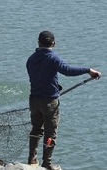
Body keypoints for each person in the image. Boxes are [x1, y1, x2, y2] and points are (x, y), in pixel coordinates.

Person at [26, 30, 101, 170]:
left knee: (36, 129)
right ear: (54, 43)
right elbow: (67, 70)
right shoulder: (53, 57)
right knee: (50, 133)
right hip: (49, 102)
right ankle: (47, 164)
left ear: (38, 42)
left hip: (34, 100)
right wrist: (88, 70)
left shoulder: (31, 59)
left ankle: (32, 159)